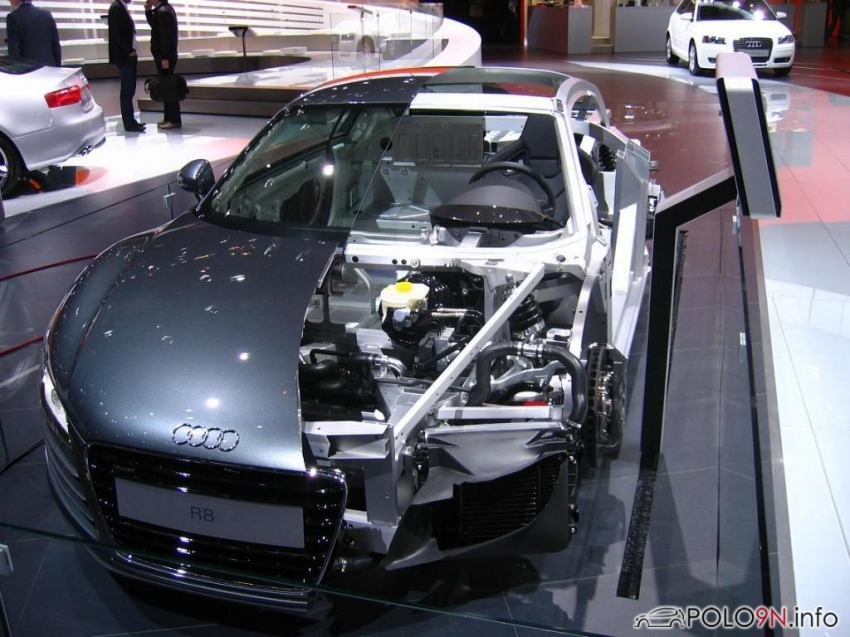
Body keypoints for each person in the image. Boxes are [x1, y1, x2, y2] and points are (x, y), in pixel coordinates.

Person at [108, 0, 145, 133]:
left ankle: (131, 121)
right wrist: (129, 51)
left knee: (129, 90)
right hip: (125, 56)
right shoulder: (116, 8)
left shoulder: (120, 7)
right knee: (127, 91)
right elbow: (117, 34)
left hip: (128, 55)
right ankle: (129, 123)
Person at [144, 0, 181, 130]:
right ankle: (168, 117)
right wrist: (148, 12)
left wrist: (165, 57)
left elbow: (166, 37)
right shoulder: (162, 10)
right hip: (164, 55)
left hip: (165, 56)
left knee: (169, 86)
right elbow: (156, 27)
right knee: (166, 86)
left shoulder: (163, 11)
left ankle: (173, 119)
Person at [5, 0, 61, 67]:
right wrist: (58, 67)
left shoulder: (13, 17)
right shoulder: (46, 14)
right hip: (50, 67)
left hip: (29, 69)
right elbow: (55, 43)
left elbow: (14, 50)